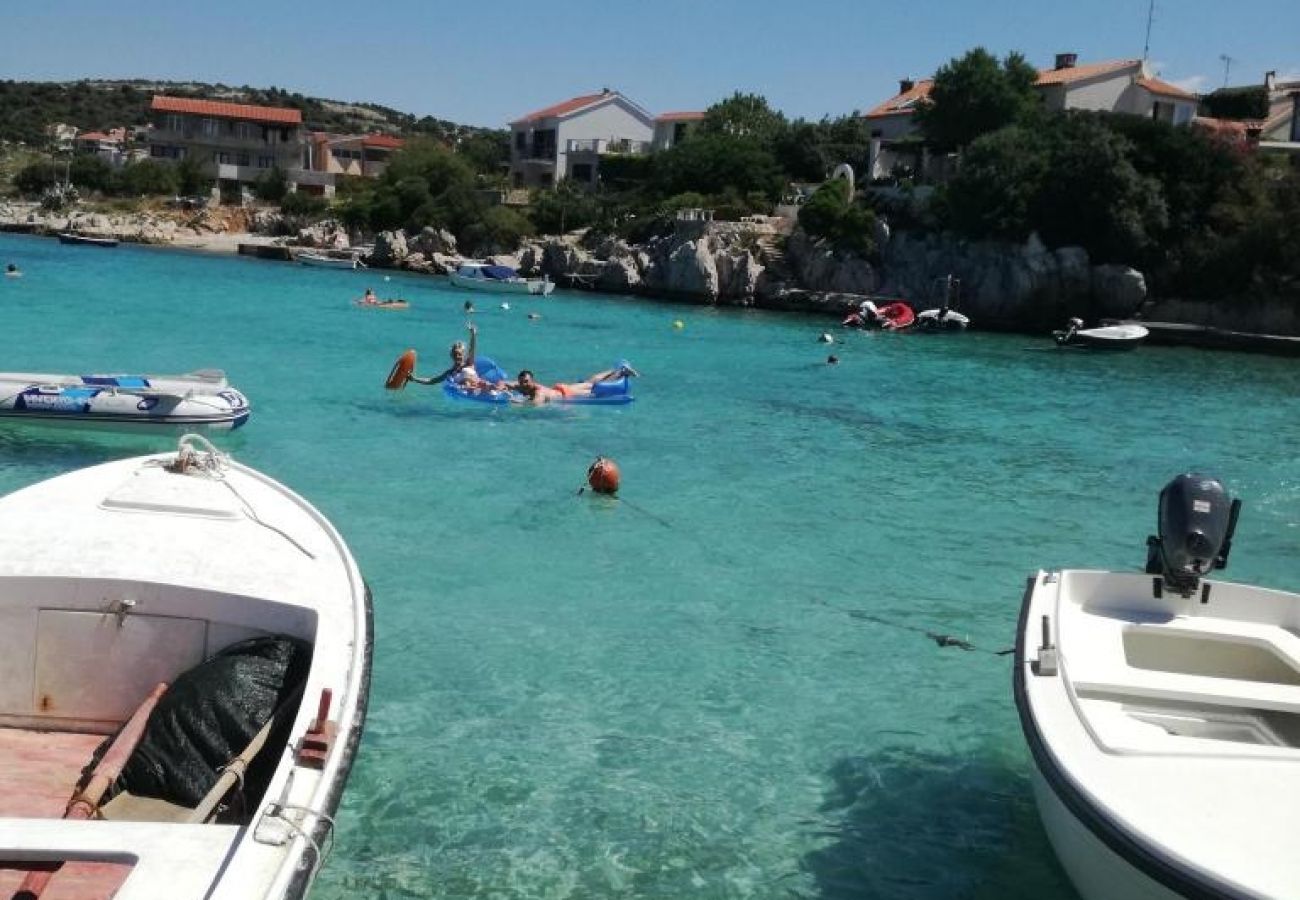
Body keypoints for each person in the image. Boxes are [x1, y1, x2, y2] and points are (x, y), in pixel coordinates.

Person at [508, 363, 637, 406]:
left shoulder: (538, 392)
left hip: (566, 393)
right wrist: (500, 386)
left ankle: (621, 373)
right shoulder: (523, 386)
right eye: (521, 382)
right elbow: (510, 384)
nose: (523, 384)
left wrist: (519, 403)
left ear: (532, 381)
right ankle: (617, 369)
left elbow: (535, 404)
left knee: (594, 389)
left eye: (526, 381)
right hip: (560, 388)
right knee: (589, 382)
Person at [407, 323, 480, 387]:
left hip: (479, 386)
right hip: (467, 390)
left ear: (464, 355)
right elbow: (432, 381)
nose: (457, 356)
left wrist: (473, 334)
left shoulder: (469, 363)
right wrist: (414, 379)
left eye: (460, 354)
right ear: (452, 356)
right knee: (465, 381)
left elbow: (472, 348)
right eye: (455, 354)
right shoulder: (450, 373)